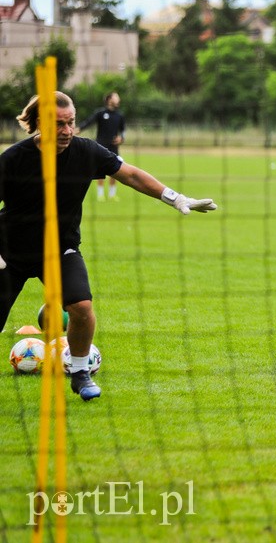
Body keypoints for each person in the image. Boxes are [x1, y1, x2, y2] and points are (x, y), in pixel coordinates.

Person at [0, 91, 217, 401]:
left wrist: (176, 198)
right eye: (59, 124)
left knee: (82, 309)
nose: (67, 131)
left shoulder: (86, 151)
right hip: (10, 253)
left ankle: (80, 374)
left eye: (71, 122)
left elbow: (131, 175)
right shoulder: (14, 159)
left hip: (60, 250)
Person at [77, 91, 125, 202]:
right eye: (116, 97)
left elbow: (123, 131)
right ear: (109, 99)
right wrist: (78, 129)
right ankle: (100, 194)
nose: (118, 99)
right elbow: (88, 122)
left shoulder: (120, 115)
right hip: (101, 146)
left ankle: (112, 194)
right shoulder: (100, 113)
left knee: (116, 170)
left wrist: (121, 138)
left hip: (114, 147)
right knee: (100, 170)